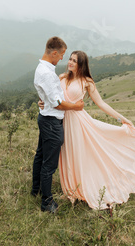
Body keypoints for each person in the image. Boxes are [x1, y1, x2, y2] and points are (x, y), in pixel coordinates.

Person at [40, 50, 135, 209]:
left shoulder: (87, 82)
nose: (70, 62)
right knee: (66, 155)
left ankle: (81, 188)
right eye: (70, 59)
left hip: (78, 123)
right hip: (61, 121)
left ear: (81, 64)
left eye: (75, 60)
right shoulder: (62, 77)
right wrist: (42, 103)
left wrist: (121, 118)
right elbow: (51, 96)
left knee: (79, 155)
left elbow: (101, 104)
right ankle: (70, 190)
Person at [32, 37, 84, 213]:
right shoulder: (47, 73)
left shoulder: (44, 69)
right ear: (54, 53)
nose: (63, 58)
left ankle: (36, 190)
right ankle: (46, 202)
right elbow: (57, 103)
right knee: (49, 164)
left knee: (40, 156)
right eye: (62, 55)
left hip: (45, 118)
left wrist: (43, 102)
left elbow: (48, 97)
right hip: (51, 122)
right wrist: (77, 106)